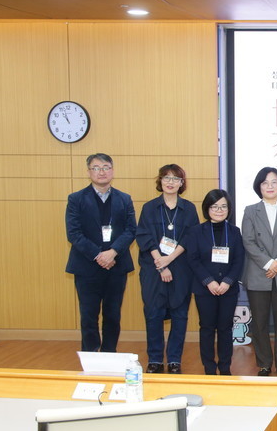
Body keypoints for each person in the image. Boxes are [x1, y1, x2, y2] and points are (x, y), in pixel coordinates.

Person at [65, 153, 137, 352]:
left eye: (106, 167)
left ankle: (109, 354)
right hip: (87, 267)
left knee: (113, 315)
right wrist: (99, 255)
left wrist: (112, 252)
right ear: (89, 172)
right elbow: (74, 233)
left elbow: (131, 230)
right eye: (96, 168)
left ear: (112, 171)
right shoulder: (76, 199)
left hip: (116, 265)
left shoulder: (124, 199)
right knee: (88, 315)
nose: (101, 172)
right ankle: (90, 357)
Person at [135, 164, 199, 373]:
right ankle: (154, 359)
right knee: (153, 314)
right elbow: (144, 236)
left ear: (182, 183)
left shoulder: (189, 208)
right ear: (160, 181)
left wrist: (169, 259)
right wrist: (161, 263)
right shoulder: (149, 207)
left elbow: (190, 238)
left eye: (175, 179)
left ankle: (174, 360)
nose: (170, 182)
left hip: (180, 267)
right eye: (166, 178)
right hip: (153, 268)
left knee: (180, 315)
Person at [242, 167, 277, 377]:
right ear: (259, 186)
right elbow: (248, 241)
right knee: (259, 323)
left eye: (274, 182)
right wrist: (268, 264)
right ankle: (264, 363)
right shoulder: (250, 210)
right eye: (265, 183)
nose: (270, 186)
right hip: (259, 274)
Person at [184, 190, 243, 375]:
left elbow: (239, 260)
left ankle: (225, 367)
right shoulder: (196, 231)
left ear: (229, 209)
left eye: (223, 206)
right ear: (207, 208)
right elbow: (193, 259)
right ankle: (209, 367)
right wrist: (209, 281)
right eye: (214, 206)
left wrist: (227, 281)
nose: (219, 210)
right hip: (204, 288)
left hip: (228, 289)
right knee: (207, 328)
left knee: (225, 328)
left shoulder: (234, 231)